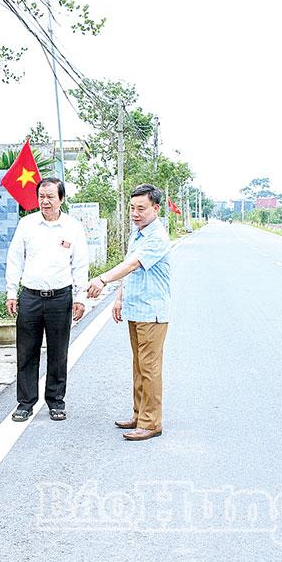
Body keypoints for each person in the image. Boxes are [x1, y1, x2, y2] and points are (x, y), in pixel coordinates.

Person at [86, 183, 171, 441]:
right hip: (135, 308)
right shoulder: (137, 233)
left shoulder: (157, 237)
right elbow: (130, 269)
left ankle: (151, 422)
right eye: (132, 208)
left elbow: (133, 263)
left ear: (155, 208)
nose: (135, 213)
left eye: (141, 208)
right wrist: (120, 299)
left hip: (151, 311)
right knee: (139, 367)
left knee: (150, 368)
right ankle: (139, 414)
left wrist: (102, 280)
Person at [5, 177, 89, 422]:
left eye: (51, 196)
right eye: (42, 196)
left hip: (60, 298)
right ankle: (25, 402)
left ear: (61, 199)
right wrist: (12, 292)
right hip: (30, 296)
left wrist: (80, 297)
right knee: (26, 351)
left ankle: (55, 401)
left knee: (58, 351)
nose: (45, 201)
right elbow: (14, 259)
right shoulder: (27, 224)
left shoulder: (72, 227)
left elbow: (80, 264)